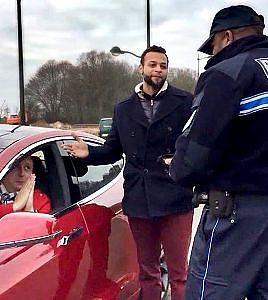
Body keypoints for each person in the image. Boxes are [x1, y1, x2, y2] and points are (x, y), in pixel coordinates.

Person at [169, 5, 268, 300]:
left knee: (209, 291)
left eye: (213, 46)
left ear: (226, 37)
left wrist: (176, 169)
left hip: (237, 215)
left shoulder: (227, 73)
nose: (211, 55)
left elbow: (195, 153)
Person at [63, 45, 194, 300]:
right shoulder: (123, 108)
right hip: (138, 200)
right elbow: (113, 150)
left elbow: (195, 143)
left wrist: (185, 163)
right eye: (153, 64)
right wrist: (89, 153)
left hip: (175, 198)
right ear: (141, 68)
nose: (158, 69)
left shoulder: (184, 102)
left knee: (180, 273)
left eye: (163, 65)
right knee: (147, 270)